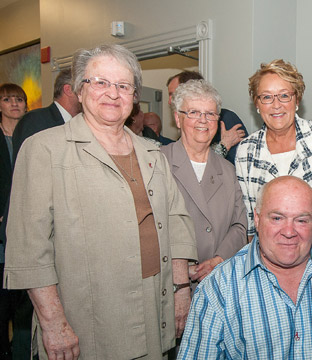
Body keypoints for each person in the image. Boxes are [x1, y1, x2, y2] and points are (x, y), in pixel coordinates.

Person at [3, 44, 197, 359]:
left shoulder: (152, 153)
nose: (112, 93)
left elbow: (176, 219)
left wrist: (180, 291)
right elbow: (30, 248)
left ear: (135, 96)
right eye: (100, 82)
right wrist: (53, 323)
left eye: (123, 85)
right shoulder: (45, 150)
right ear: (80, 90)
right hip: (87, 320)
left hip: (152, 307)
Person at [178, 176, 312, 359]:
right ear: (258, 218)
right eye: (278, 218)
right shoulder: (219, 287)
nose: (289, 231)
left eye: (301, 220)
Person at [237, 59, 312, 239]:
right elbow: (250, 220)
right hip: (270, 256)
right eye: (266, 97)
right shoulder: (246, 150)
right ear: (257, 104)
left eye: (284, 95)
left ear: (297, 99)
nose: (276, 104)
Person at [160, 79, 247, 285]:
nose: (203, 120)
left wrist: (218, 260)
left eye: (210, 114)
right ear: (177, 118)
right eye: (193, 113)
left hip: (219, 280)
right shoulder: (158, 162)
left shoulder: (227, 169)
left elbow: (239, 225)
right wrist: (179, 266)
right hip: (172, 284)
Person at [0, 83, 28, 360]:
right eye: (8, 99)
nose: (14, 104)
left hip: (22, 222)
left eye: (19, 99)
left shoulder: (30, 135)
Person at [167, 71, 247, 163]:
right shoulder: (163, 157)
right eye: (194, 112)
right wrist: (223, 147)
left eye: (173, 94)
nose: (170, 101)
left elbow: (240, 163)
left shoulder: (226, 118)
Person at [12, 68, 82, 155]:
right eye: (82, 88)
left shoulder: (81, 124)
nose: (89, 94)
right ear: (68, 90)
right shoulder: (34, 120)